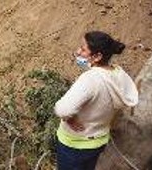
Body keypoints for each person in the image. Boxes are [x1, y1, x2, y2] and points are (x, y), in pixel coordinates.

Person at [54, 31, 138, 170]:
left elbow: (62, 109)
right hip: (97, 142)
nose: (78, 51)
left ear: (97, 56)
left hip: (75, 144)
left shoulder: (90, 79)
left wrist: (68, 118)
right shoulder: (118, 75)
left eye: (83, 48)